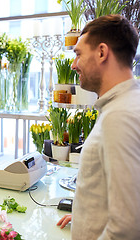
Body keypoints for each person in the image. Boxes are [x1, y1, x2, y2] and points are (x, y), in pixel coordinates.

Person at [57, 15, 140, 239]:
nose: (74, 65)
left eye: (78, 54)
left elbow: (127, 226)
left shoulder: (120, 116)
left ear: (102, 53)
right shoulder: (126, 104)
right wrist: (88, 214)